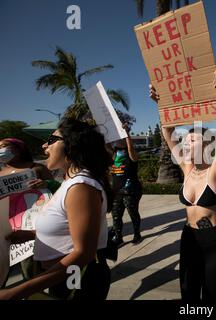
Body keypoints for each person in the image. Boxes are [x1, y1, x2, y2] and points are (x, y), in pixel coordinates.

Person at [0, 119, 113, 300]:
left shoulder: (81, 186)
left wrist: (16, 291)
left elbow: (83, 254)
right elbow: (69, 228)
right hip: (64, 277)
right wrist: (31, 234)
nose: (45, 145)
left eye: (51, 140)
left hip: (76, 279)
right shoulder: (71, 182)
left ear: (72, 145)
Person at [149, 70, 216, 301]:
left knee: (210, 295)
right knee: (188, 293)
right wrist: (160, 103)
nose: (185, 143)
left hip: (214, 241)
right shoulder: (187, 170)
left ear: (206, 144)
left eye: (192, 139)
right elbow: (167, 132)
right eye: (185, 140)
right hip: (189, 239)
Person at [0, 138, 55, 282]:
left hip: (30, 225)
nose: (0, 150)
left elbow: (58, 188)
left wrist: (46, 183)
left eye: (3, 146)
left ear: (18, 149)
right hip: (5, 225)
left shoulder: (37, 168)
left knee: (29, 268)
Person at [109, 123, 142, 245]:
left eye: (121, 138)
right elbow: (105, 146)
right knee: (116, 215)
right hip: (116, 191)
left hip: (131, 190)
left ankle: (137, 234)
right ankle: (118, 237)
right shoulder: (114, 155)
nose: (119, 140)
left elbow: (130, 148)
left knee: (133, 213)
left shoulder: (131, 155)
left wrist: (126, 133)